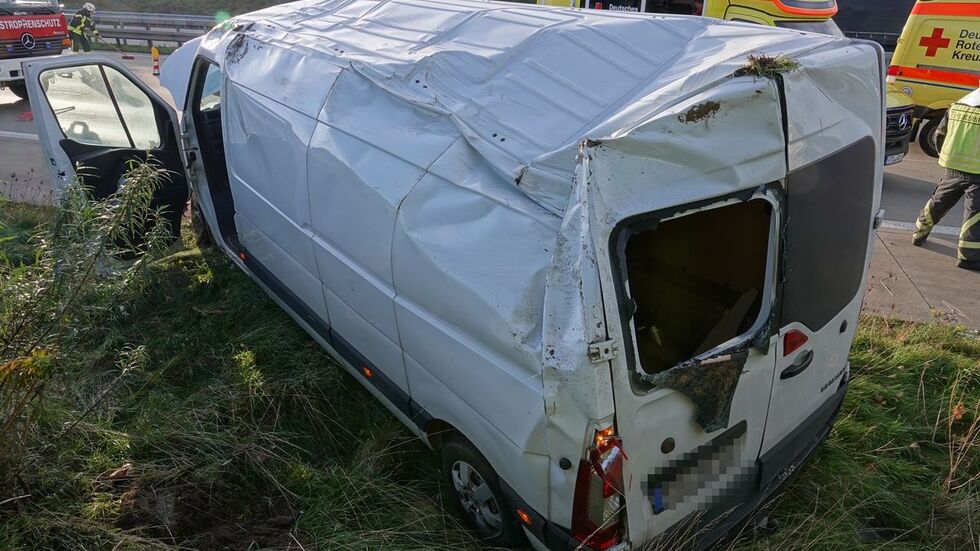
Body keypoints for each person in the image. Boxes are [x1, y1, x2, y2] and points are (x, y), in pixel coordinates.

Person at [913, 85, 980, 272]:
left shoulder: (959, 104)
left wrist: (947, 155)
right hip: (977, 171)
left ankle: (919, 232)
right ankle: (969, 257)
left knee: (939, 202)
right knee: (975, 215)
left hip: (953, 166)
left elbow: (939, 135)